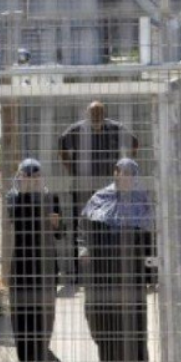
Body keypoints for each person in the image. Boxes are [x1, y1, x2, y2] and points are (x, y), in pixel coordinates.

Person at [78, 158, 154, 362]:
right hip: (100, 269)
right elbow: (83, 228)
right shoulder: (100, 197)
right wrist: (83, 249)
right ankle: (107, 354)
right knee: (96, 315)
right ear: (115, 173)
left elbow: (151, 238)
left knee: (132, 322)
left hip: (131, 271)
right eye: (122, 172)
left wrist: (151, 272)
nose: (126, 177)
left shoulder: (142, 201)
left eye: (131, 173)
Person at [59, 101, 139, 279]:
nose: (95, 118)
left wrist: (125, 167)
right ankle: (80, 273)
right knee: (82, 226)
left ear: (104, 115)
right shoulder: (77, 130)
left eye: (99, 114)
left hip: (108, 189)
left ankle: (109, 269)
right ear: (87, 114)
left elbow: (134, 142)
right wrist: (71, 168)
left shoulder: (114, 128)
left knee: (109, 224)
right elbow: (62, 146)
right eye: (92, 114)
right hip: (83, 187)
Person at [6, 158, 63, 362]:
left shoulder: (51, 198)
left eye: (36, 176)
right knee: (21, 316)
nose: (32, 180)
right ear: (20, 177)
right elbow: (16, 219)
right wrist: (25, 192)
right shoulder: (13, 197)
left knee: (44, 316)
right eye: (27, 175)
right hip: (22, 265)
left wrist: (57, 224)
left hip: (46, 266)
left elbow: (61, 233)